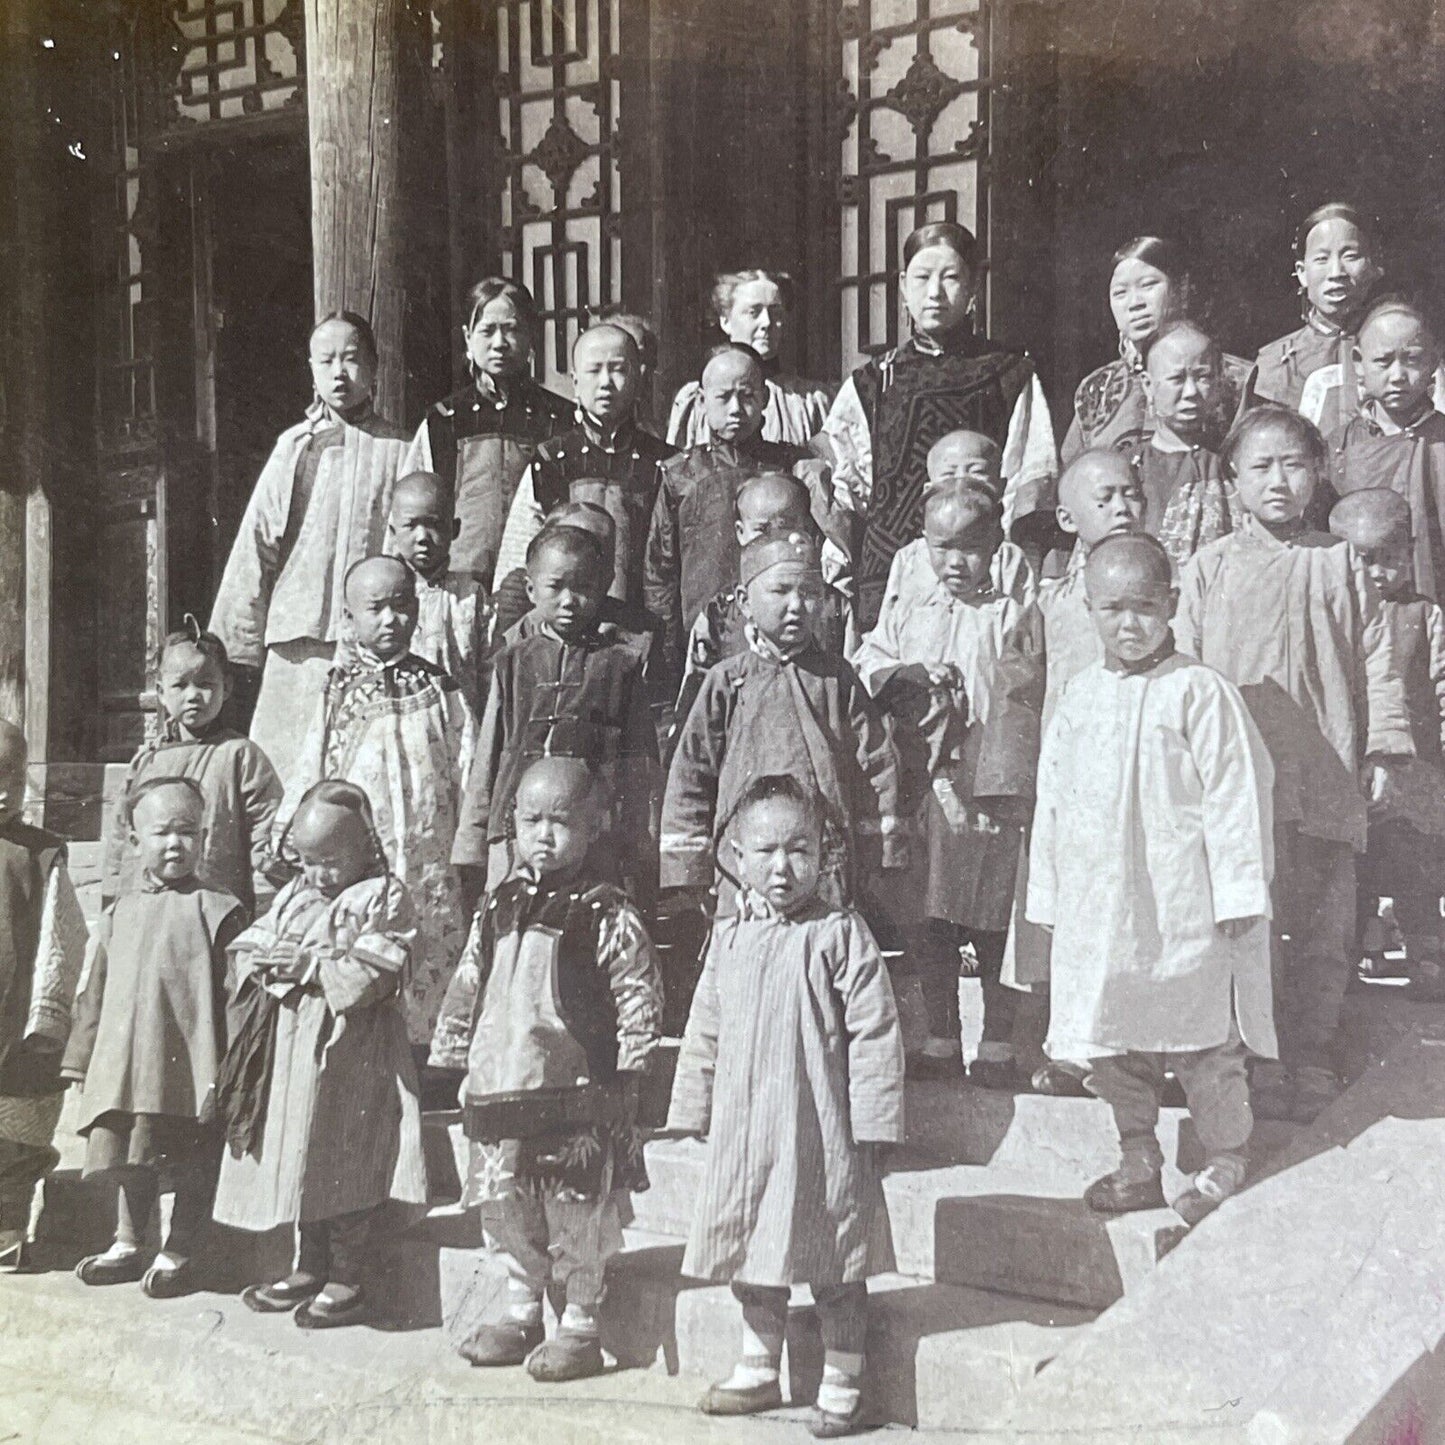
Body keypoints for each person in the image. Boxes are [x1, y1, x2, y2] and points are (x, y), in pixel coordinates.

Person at [1174, 405, 1415, 1123]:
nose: (1277, 480)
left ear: (1316, 474)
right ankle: (1255, 1057)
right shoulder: (1208, 568)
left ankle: (1309, 1050)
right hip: (1237, 785)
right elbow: (1183, 667)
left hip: (1326, 776)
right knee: (1247, 925)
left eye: (1293, 464)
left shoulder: (1341, 563)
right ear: (1233, 479)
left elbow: (1379, 661)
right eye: (1260, 466)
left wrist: (1381, 750)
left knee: (1321, 925)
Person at [1029, 535, 1275, 1226]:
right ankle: (1138, 1156)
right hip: (1100, 903)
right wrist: (1048, 892)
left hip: (1181, 900)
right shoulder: (1079, 693)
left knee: (1201, 1034)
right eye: (1111, 609)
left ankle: (1225, 1155)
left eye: (1143, 606)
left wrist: (1235, 892)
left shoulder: (1199, 690)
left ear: (1170, 603)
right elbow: (1053, 797)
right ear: (1087, 609)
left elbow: (1236, 794)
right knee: (1111, 1035)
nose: (1128, 623)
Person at [669, 774, 903, 1438]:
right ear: (734, 857)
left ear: (825, 853)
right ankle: (756, 1365)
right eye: (765, 850)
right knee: (752, 1254)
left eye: (798, 849)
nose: (782, 866)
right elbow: (703, 1025)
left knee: (835, 1260)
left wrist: (876, 1120)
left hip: (820, 1129)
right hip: (748, 1131)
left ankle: (841, 1377)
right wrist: (691, 1102)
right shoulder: (730, 936)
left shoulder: (840, 933)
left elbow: (875, 1032)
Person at [431, 758, 663, 1381]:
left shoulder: (604, 911)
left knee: (574, 1209)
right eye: (531, 820)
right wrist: (453, 1047)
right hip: (499, 1085)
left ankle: (581, 1322)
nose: (544, 834)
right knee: (503, 1205)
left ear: (594, 826)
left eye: (561, 822)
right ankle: (519, 1308)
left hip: (571, 1093)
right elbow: (470, 979)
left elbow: (636, 988)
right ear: (512, 824)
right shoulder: (498, 904)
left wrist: (635, 1063)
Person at [212, 781, 427, 1330]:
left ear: (366, 847)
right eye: (307, 862)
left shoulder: (383, 896)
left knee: (345, 1159)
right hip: (291, 1050)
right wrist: (264, 958)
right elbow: (255, 940)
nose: (318, 875)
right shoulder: (297, 894)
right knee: (303, 1158)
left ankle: (348, 1275)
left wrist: (310, 968)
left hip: (354, 1052)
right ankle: (307, 1265)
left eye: (331, 861)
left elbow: (379, 971)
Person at [853, 475, 1036, 1086]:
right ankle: (940, 1035)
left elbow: (1030, 690)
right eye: (941, 547)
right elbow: (869, 662)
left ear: (997, 545)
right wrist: (908, 672)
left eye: (971, 547)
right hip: (930, 789)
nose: (955, 562)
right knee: (930, 915)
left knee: (992, 915)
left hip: (990, 790)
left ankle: (999, 1041)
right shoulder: (909, 608)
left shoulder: (1012, 613)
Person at [985, 449, 1150, 1093]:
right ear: (1066, 516)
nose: (1121, 506)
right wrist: (1011, 785)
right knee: (1069, 918)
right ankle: (1071, 1047)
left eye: (1131, 492)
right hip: (1073, 792)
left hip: (1145, 789)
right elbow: (1017, 693)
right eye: (1103, 497)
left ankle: (1140, 1049)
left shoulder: (1175, 587)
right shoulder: (1053, 602)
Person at [277, 557, 475, 1047]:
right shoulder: (338, 692)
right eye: (377, 608)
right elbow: (312, 768)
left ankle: (430, 1056)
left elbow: (466, 762)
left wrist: (475, 836)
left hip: (431, 857)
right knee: (367, 945)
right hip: (361, 860)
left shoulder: (439, 686)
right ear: (349, 619)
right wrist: (293, 833)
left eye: (403, 605)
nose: (392, 619)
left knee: (433, 950)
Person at [822, 221, 1057, 627]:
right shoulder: (874, 382)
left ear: (972, 288)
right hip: (891, 577)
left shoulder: (1008, 374)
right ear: (902, 285)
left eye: (951, 277)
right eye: (922, 277)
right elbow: (847, 491)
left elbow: (1030, 480)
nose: (935, 292)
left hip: (981, 574)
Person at [209, 312, 411, 782]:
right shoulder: (294, 447)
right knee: (283, 772)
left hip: (372, 638)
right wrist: (234, 646)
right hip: (297, 638)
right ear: (312, 370)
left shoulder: (401, 448)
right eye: (327, 361)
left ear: (375, 368)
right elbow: (256, 542)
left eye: (352, 359)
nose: (340, 373)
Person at [64, 777, 246, 1297]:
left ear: (205, 836)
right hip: (124, 1064)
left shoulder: (219, 909)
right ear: (134, 838)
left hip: (188, 1068)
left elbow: (236, 997)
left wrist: (233, 1070)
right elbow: (95, 990)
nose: (175, 844)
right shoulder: (120, 911)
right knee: (129, 1155)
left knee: (187, 1159)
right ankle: (128, 1240)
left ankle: (181, 1247)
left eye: (188, 832)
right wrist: (81, 1060)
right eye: (162, 832)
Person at [662, 530, 903, 910]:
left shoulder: (836, 679)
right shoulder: (726, 681)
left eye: (809, 593)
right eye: (781, 591)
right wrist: (687, 870)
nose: (796, 605)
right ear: (744, 601)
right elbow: (692, 772)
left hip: (821, 861)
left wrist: (882, 851)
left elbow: (875, 765)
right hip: (740, 867)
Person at [454, 526, 659, 908]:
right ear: (531, 591)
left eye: (582, 587)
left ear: (603, 588)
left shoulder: (621, 666)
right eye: (555, 587)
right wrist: (474, 839)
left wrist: (637, 840)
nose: (569, 600)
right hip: (518, 829)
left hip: (593, 831)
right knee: (511, 915)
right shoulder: (512, 661)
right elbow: (489, 754)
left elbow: (640, 762)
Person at [1328, 488, 1445, 998]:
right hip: (1347, 766)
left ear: (1410, 549)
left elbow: (1441, 682)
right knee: (1354, 869)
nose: (1377, 573)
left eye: (1389, 558)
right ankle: (1350, 958)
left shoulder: (1424, 614)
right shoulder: (1333, 615)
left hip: (1415, 772)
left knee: (1419, 866)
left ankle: (1427, 957)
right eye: (1362, 560)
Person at [647, 346, 817, 686]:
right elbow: (659, 571)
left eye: (747, 395)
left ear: (766, 397)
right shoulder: (680, 474)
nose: (736, 409)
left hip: (781, 633)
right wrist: (667, 653)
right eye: (723, 397)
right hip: (702, 638)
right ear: (701, 399)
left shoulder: (791, 467)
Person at [493, 324, 675, 607]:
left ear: (637, 379)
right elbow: (519, 556)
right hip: (566, 615)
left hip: (641, 619)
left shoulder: (664, 461)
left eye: (618, 369)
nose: (606, 382)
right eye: (594, 370)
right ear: (576, 382)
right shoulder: (551, 459)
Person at [405, 278, 571, 587]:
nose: (499, 343)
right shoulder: (444, 420)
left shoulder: (559, 418)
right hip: (458, 583)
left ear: (531, 335)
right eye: (487, 330)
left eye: (512, 329)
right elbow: (412, 508)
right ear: (468, 338)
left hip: (537, 586)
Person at [107, 622, 281, 914]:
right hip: (150, 907)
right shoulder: (146, 761)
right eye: (180, 685)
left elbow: (266, 834)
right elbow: (121, 837)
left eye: (205, 684)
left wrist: (265, 907)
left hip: (219, 905)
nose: (193, 695)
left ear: (227, 687)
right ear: (161, 693)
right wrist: (112, 901)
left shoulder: (240, 756)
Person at [671, 472, 849, 747]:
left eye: (788, 525)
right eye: (762, 530)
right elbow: (695, 715)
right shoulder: (720, 614)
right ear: (741, 533)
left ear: (808, 529)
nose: (776, 539)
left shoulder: (833, 607)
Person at [0, 720, 88, 1266]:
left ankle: (7, 1226)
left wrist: (49, 1019)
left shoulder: (41, 853)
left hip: (19, 1017)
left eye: (11, 774)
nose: (1, 789)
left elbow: (63, 936)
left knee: (17, 1134)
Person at [1063, 237, 1248, 463]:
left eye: (1148, 285)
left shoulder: (1235, 379)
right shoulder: (1095, 389)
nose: (1135, 303)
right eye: (1120, 293)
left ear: (1180, 290)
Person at [1327, 298, 1445, 604]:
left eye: (1412, 359)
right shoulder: (1340, 446)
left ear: (1434, 361)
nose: (1398, 375)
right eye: (1383, 361)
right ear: (1358, 362)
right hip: (1362, 606)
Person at [1248, 202, 1385, 433]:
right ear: (1302, 272)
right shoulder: (1272, 363)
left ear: (1372, 267)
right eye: (1321, 259)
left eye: (1350, 256)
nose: (1336, 273)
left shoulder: (1400, 351)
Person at [667, 269, 832, 448]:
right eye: (754, 312)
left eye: (775, 313)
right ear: (725, 321)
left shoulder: (809, 402)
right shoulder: (696, 400)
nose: (767, 322)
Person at [1133, 321, 1242, 568]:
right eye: (1177, 378)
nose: (1191, 391)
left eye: (1203, 376)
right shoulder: (1127, 468)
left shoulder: (1236, 465)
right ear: (1148, 385)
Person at [384, 469, 490, 717]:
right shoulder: (379, 594)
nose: (422, 537)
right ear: (393, 531)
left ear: (454, 529)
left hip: (459, 737)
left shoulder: (471, 597)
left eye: (434, 524)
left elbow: (490, 677)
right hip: (393, 734)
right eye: (411, 525)